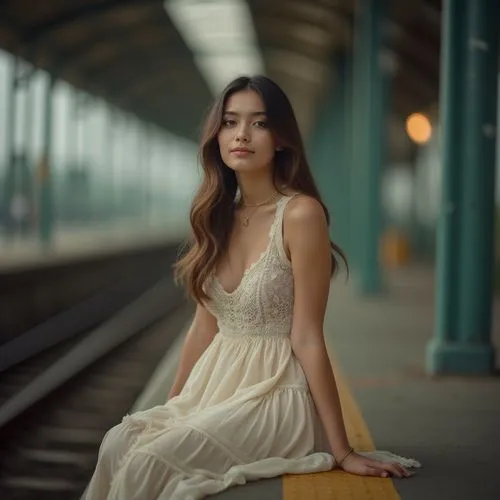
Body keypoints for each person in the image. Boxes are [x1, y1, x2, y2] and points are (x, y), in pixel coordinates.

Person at [83, 75, 420, 500]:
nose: (241, 134)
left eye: (258, 123)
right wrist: (170, 406)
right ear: (217, 136)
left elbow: (309, 337)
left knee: (152, 461)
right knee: (119, 442)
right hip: (217, 382)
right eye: (229, 122)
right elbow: (205, 326)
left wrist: (342, 449)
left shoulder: (300, 215)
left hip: (276, 392)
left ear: (280, 137)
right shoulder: (216, 215)